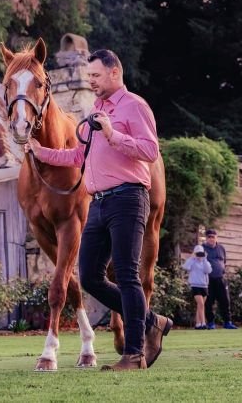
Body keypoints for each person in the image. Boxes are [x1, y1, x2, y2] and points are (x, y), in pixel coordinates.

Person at [26, 49, 173, 371]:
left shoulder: (135, 106)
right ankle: (153, 321)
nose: (90, 81)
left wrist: (113, 134)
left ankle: (134, 355)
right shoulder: (96, 110)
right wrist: (42, 152)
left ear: (114, 74)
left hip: (128, 198)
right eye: (89, 76)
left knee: (127, 275)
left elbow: (150, 151)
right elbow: (78, 157)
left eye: (95, 76)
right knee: (91, 276)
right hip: (99, 202)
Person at [202, 229, 238, 329]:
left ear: (216, 238)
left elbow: (224, 262)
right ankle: (210, 323)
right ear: (206, 238)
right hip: (208, 279)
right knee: (209, 302)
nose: (211, 239)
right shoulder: (202, 248)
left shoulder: (221, 248)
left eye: (213, 237)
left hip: (221, 278)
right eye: (209, 237)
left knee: (225, 301)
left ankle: (228, 322)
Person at [182, 245, 212, 329]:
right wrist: (192, 257)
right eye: (198, 253)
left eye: (201, 253)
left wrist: (205, 258)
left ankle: (198, 324)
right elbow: (185, 267)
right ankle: (203, 323)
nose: (199, 255)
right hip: (195, 285)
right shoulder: (192, 261)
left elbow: (208, 270)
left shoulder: (205, 262)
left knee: (200, 305)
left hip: (204, 286)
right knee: (201, 304)